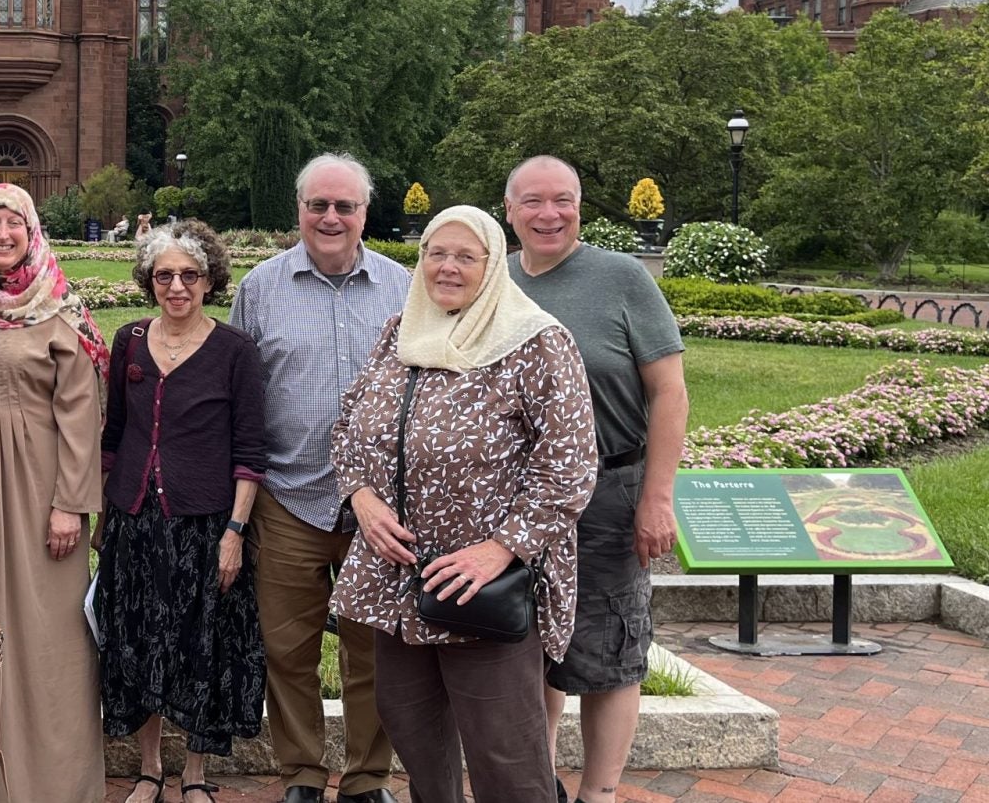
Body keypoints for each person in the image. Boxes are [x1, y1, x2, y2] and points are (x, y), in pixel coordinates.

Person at [330, 205, 597, 803]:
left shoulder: (536, 342)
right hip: (398, 581)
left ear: (492, 265)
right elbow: (347, 426)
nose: (447, 267)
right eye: (435, 253)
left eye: (465, 256)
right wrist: (363, 499)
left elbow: (570, 467)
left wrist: (500, 549)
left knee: (506, 756)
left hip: (482, 589)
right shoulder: (401, 333)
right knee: (413, 732)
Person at [504, 156, 689, 803]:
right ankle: (537, 783)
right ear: (509, 211)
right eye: (533, 201)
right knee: (526, 647)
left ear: (581, 206)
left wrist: (656, 496)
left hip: (607, 494)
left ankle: (598, 792)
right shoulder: (490, 280)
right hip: (515, 502)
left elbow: (669, 392)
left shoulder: (622, 278)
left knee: (608, 648)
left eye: (563, 200)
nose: (548, 213)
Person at [227, 153, 408, 803]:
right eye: (317, 205)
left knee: (374, 651)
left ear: (365, 212)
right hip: (288, 496)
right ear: (299, 209)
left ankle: (366, 778)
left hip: (379, 509)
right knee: (287, 648)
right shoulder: (261, 287)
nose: (330, 217)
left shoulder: (404, 287)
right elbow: (240, 396)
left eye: (345, 206)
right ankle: (301, 772)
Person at [0, 183, 107, 803]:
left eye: (15, 224)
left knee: (44, 635)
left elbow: (82, 415)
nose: (2, 234)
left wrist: (70, 504)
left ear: (33, 234)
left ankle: (51, 782)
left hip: (39, 494)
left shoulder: (60, 311)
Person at [97, 221, 268, 803]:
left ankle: (194, 774)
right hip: (135, 518)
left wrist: (236, 531)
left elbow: (250, 450)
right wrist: (103, 515)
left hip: (205, 523)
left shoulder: (235, 351)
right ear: (148, 279)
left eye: (189, 275)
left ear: (210, 279)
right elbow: (114, 433)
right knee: (138, 640)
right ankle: (149, 769)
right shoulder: (130, 340)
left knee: (203, 645)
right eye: (164, 274)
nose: (176, 286)